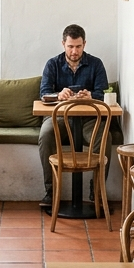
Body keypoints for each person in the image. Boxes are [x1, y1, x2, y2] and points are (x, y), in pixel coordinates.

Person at [37, 24, 108, 207]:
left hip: (89, 119)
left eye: (78, 46)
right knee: (45, 135)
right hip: (59, 118)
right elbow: (44, 92)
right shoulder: (52, 64)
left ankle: (97, 191)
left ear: (84, 44)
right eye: (70, 46)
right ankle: (51, 191)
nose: (74, 51)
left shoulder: (96, 64)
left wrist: (91, 96)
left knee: (104, 138)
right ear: (63, 44)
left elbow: (105, 92)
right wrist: (58, 95)